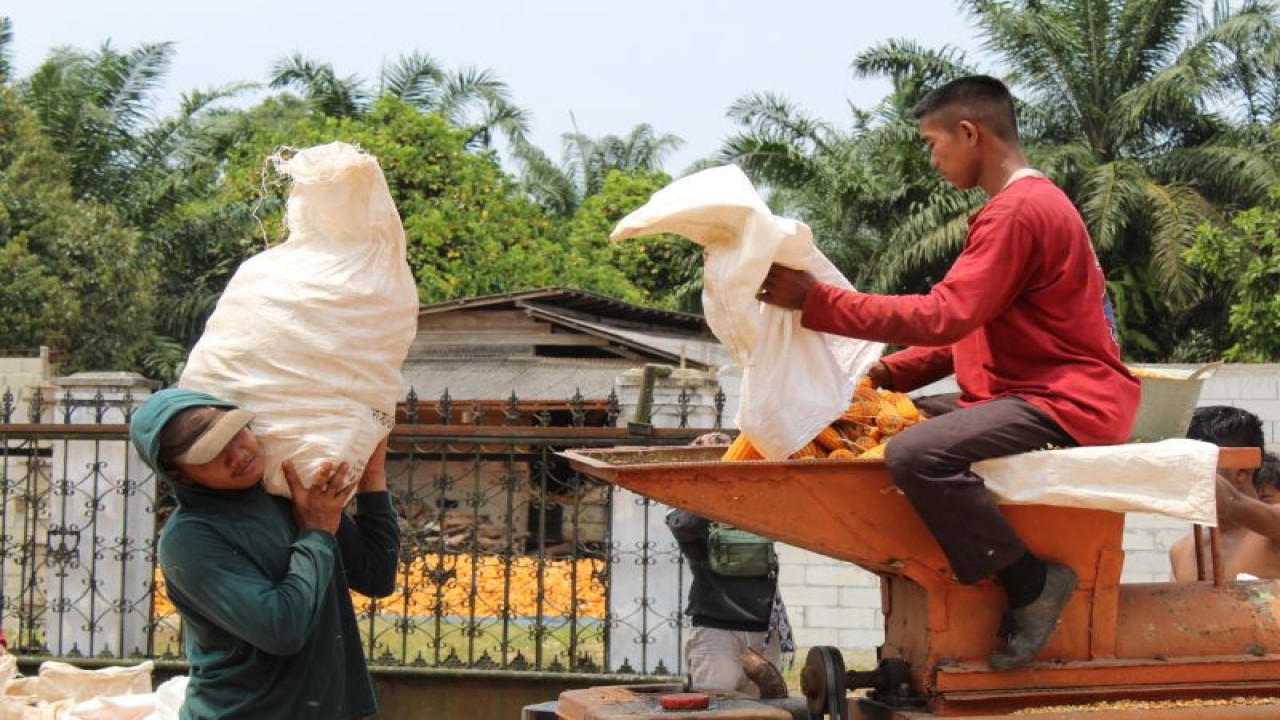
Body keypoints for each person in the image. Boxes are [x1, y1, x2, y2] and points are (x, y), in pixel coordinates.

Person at [756, 75, 1139, 671]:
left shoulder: (1018, 211)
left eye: (933, 143)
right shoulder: (1026, 205)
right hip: (1025, 394)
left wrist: (817, 300)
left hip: (1064, 401)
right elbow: (970, 329)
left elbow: (944, 315)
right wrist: (882, 377)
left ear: (969, 132)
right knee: (880, 426)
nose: (933, 159)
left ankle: (1032, 582)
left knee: (915, 454)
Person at [130, 388, 400, 720]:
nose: (237, 453)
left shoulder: (288, 494)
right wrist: (315, 533)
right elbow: (281, 629)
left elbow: (376, 577)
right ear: (178, 473)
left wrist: (372, 477)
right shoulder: (190, 538)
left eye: (235, 432)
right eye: (210, 453)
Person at [666, 433, 790, 697]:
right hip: (717, 632)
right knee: (715, 710)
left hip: (764, 628)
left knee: (767, 713)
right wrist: (715, 481)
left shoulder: (755, 503)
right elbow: (685, 526)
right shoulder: (685, 511)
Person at [1170, 405, 1280, 581]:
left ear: (1241, 472)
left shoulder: (1272, 536)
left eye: (1197, 465)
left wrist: (1230, 501)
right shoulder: (1181, 552)